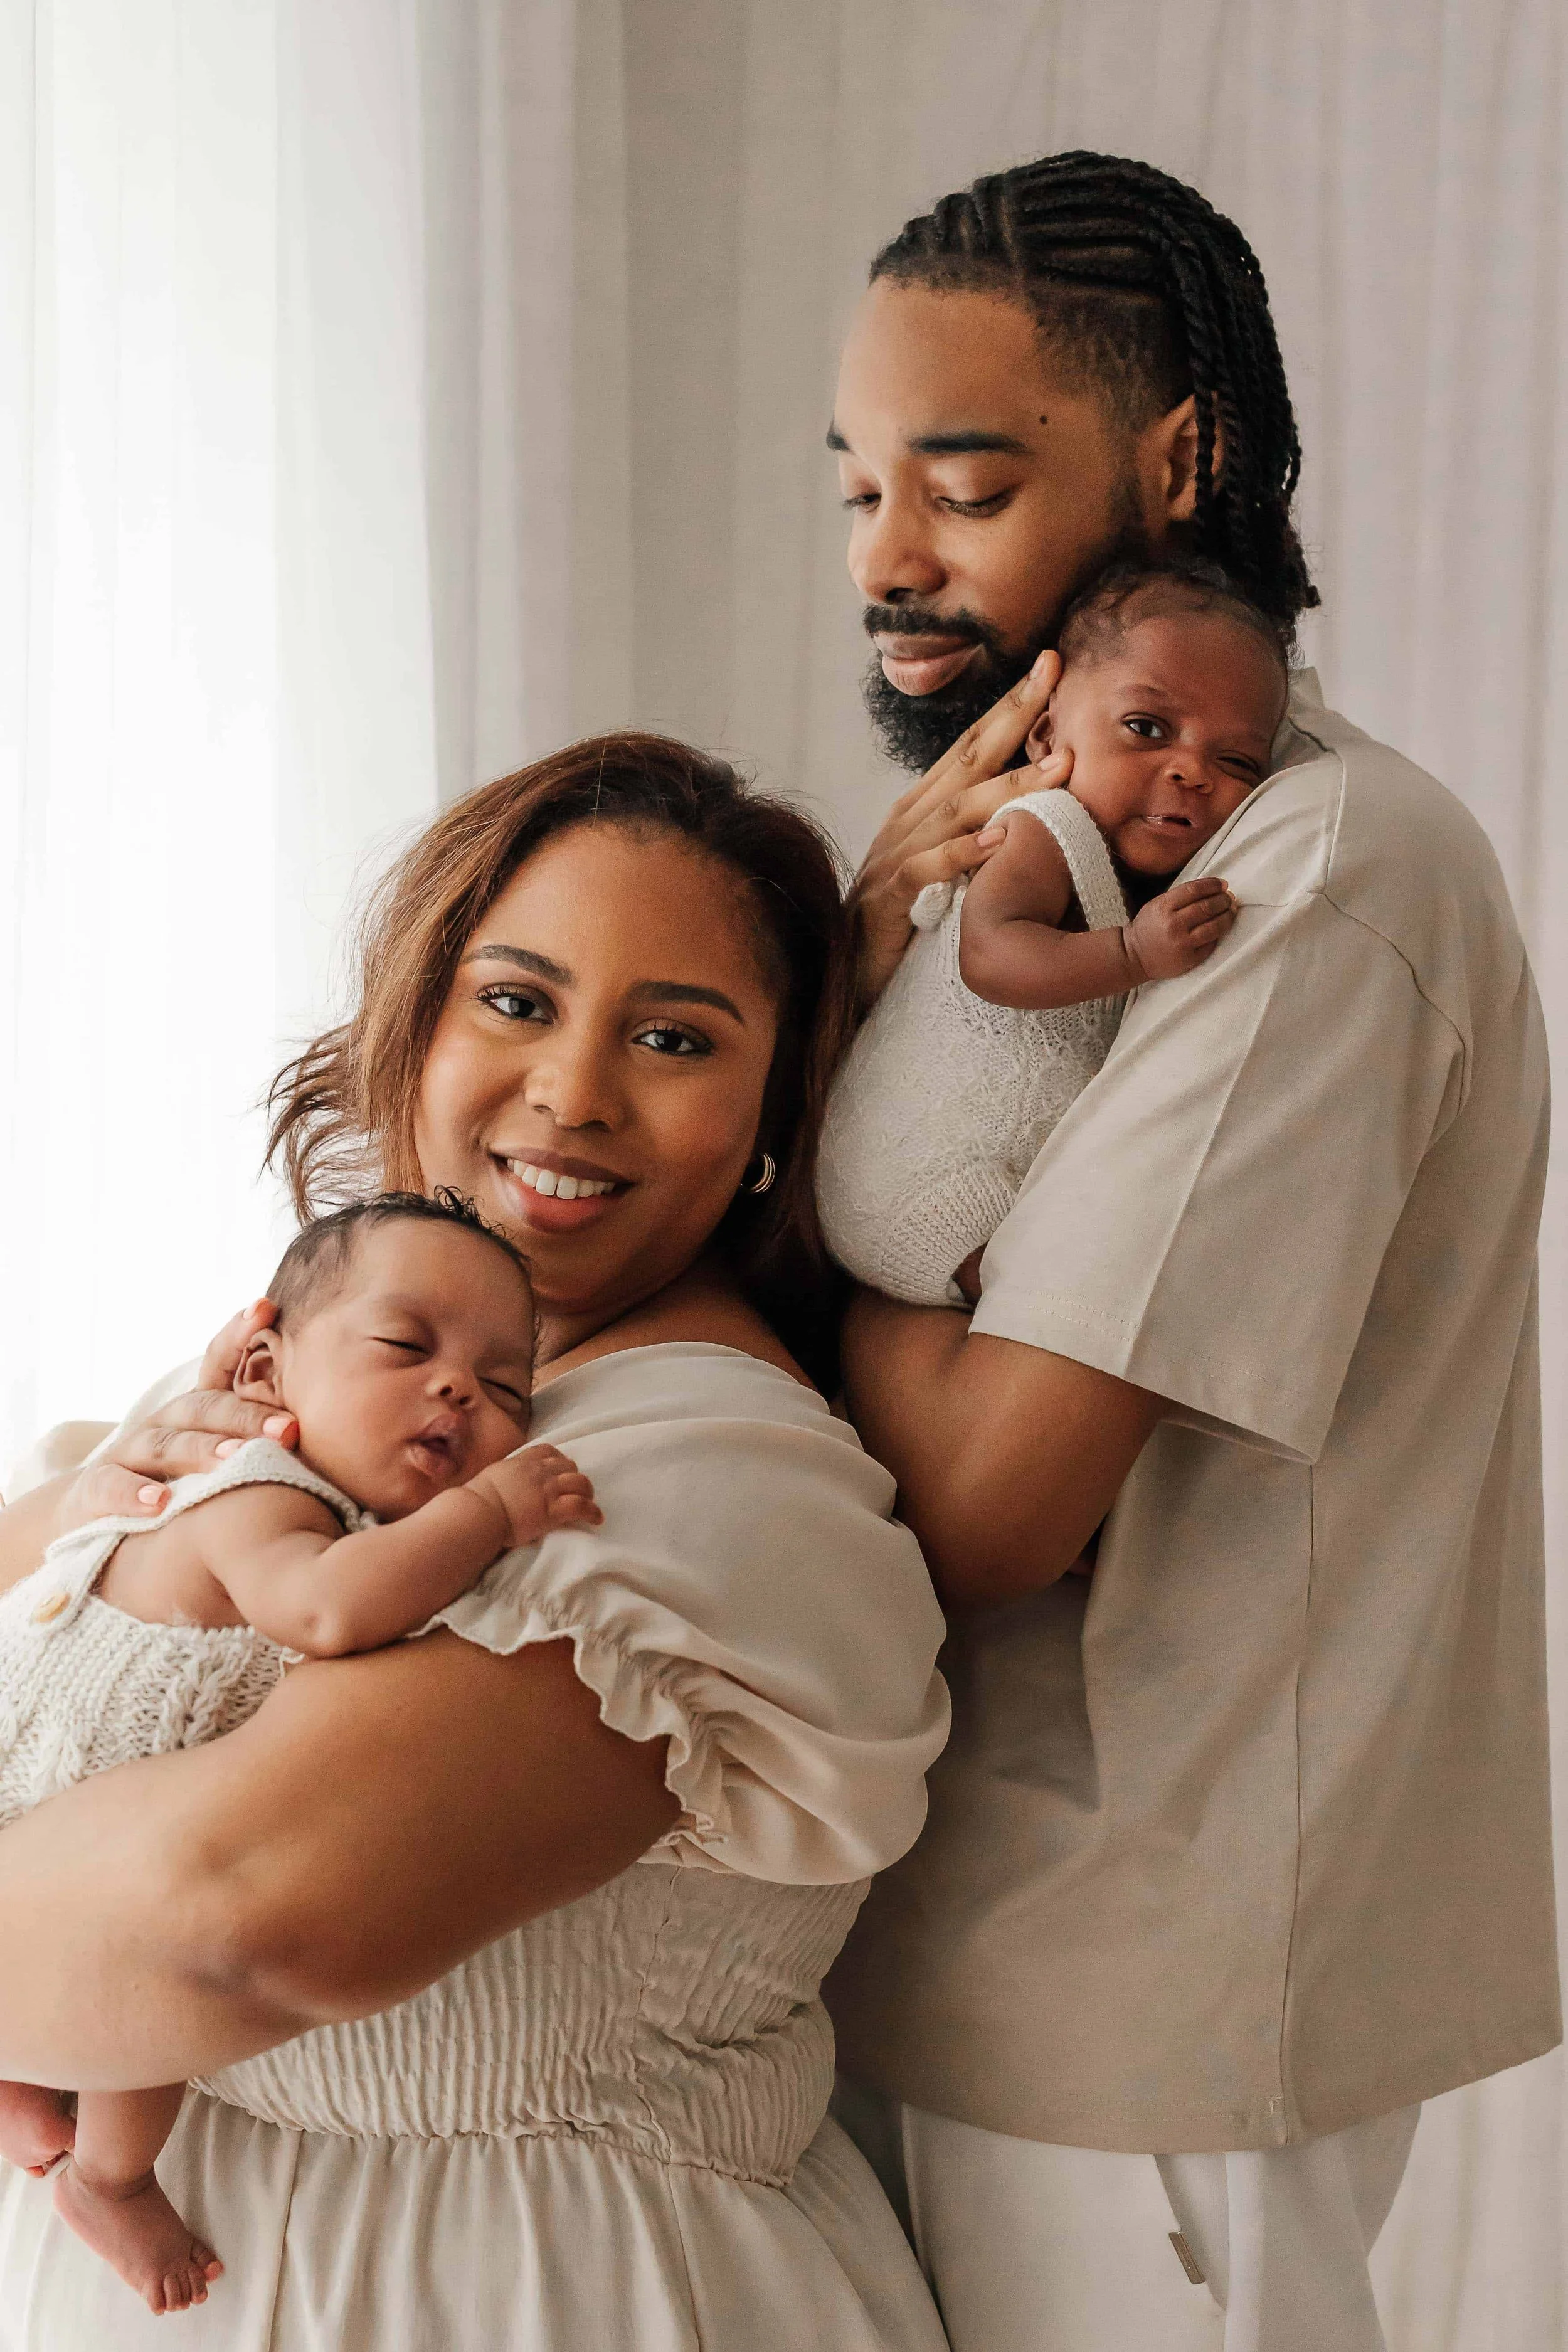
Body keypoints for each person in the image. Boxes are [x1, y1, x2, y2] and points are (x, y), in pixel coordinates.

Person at [822, 151, 1557, 2352]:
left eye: (959, 482)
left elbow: (982, 1502)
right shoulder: (1022, 873)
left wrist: (811, 1194)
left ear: (1185, 457)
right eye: (854, 486)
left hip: (1135, 2002)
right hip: (974, 1955)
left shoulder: (1313, 874)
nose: (887, 558)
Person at [0, 734, 952, 2350]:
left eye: (672, 1036)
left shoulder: (708, 1483)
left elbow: (234, 1911)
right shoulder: (312, 1378)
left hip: (518, 2292)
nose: (572, 1092)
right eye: (515, 1000)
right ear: (414, 1021)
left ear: (776, 1115)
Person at [0, 1189, 600, 2314]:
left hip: (57, 1779)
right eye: (404, 1347)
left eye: (507, 1386)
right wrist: (489, 1517)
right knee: (139, 1999)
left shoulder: (323, 1499)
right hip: (58, 1771)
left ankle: (22, 2090)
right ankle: (109, 2177)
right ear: (267, 1373)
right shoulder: (258, 1490)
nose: (457, 1388)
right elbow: (322, 1614)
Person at [818, 558, 1274, 1307]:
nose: (1191, 770)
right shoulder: (1040, 827)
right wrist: (1133, 953)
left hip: (966, 1184)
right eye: (1146, 728)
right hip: (926, 1181)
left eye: (1235, 761)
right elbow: (991, 955)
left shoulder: (1132, 876)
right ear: (1042, 739)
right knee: (1075, 1289)